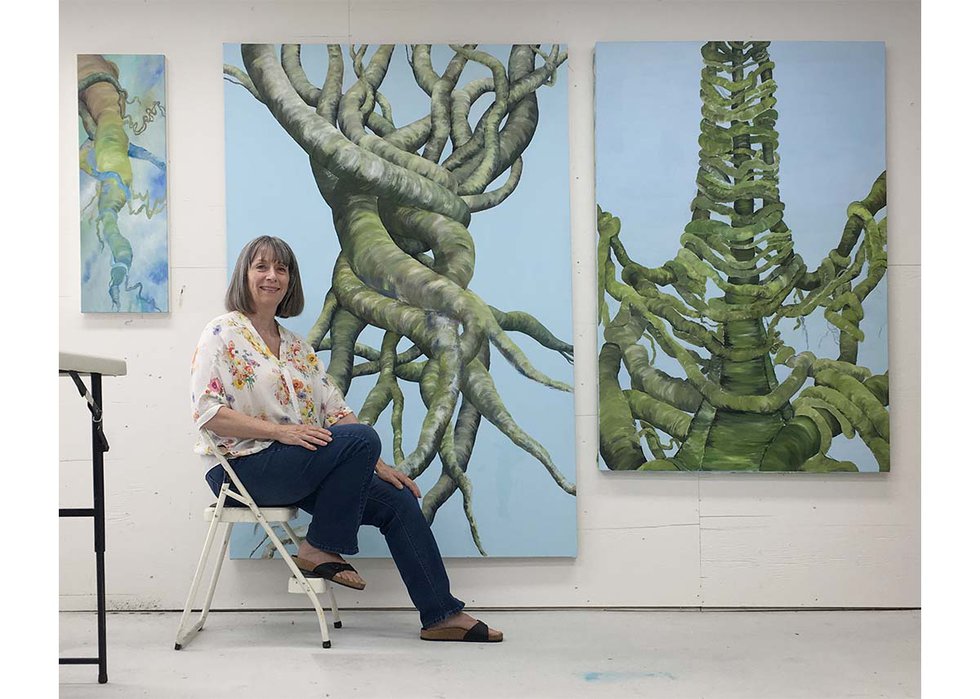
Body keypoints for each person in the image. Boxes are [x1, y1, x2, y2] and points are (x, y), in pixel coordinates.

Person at [190, 235, 502, 643]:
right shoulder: (221, 332)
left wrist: (380, 467)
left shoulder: (298, 348)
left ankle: (440, 614)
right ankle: (319, 547)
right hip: (242, 468)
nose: (272, 276)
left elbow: (338, 413)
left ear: (290, 281)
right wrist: (282, 431)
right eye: (261, 267)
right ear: (244, 275)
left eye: (281, 269)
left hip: (297, 466)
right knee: (360, 439)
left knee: (398, 499)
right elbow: (209, 414)